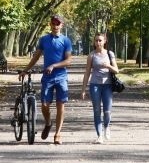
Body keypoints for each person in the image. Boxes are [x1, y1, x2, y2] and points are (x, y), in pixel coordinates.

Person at [20, 15, 73, 144]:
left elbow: (68, 60)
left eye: (58, 24)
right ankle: (48, 123)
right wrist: (25, 70)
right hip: (48, 78)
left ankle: (57, 134)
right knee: (44, 105)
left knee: (61, 105)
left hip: (61, 77)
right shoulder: (44, 40)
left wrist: (54, 65)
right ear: (50, 24)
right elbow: (36, 57)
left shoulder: (66, 41)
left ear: (62, 25)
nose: (55, 26)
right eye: (53, 23)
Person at [81, 32, 119, 144]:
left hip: (107, 85)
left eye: (100, 40)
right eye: (96, 40)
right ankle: (99, 136)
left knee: (107, 111)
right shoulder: (91, 55)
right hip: (95, 85)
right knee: (97, 110)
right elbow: (87, 72)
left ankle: (107, 126)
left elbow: (116, 70)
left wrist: (108, 66)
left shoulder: (109, 54)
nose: (98, 43)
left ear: (104, 41)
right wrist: (83, 89)